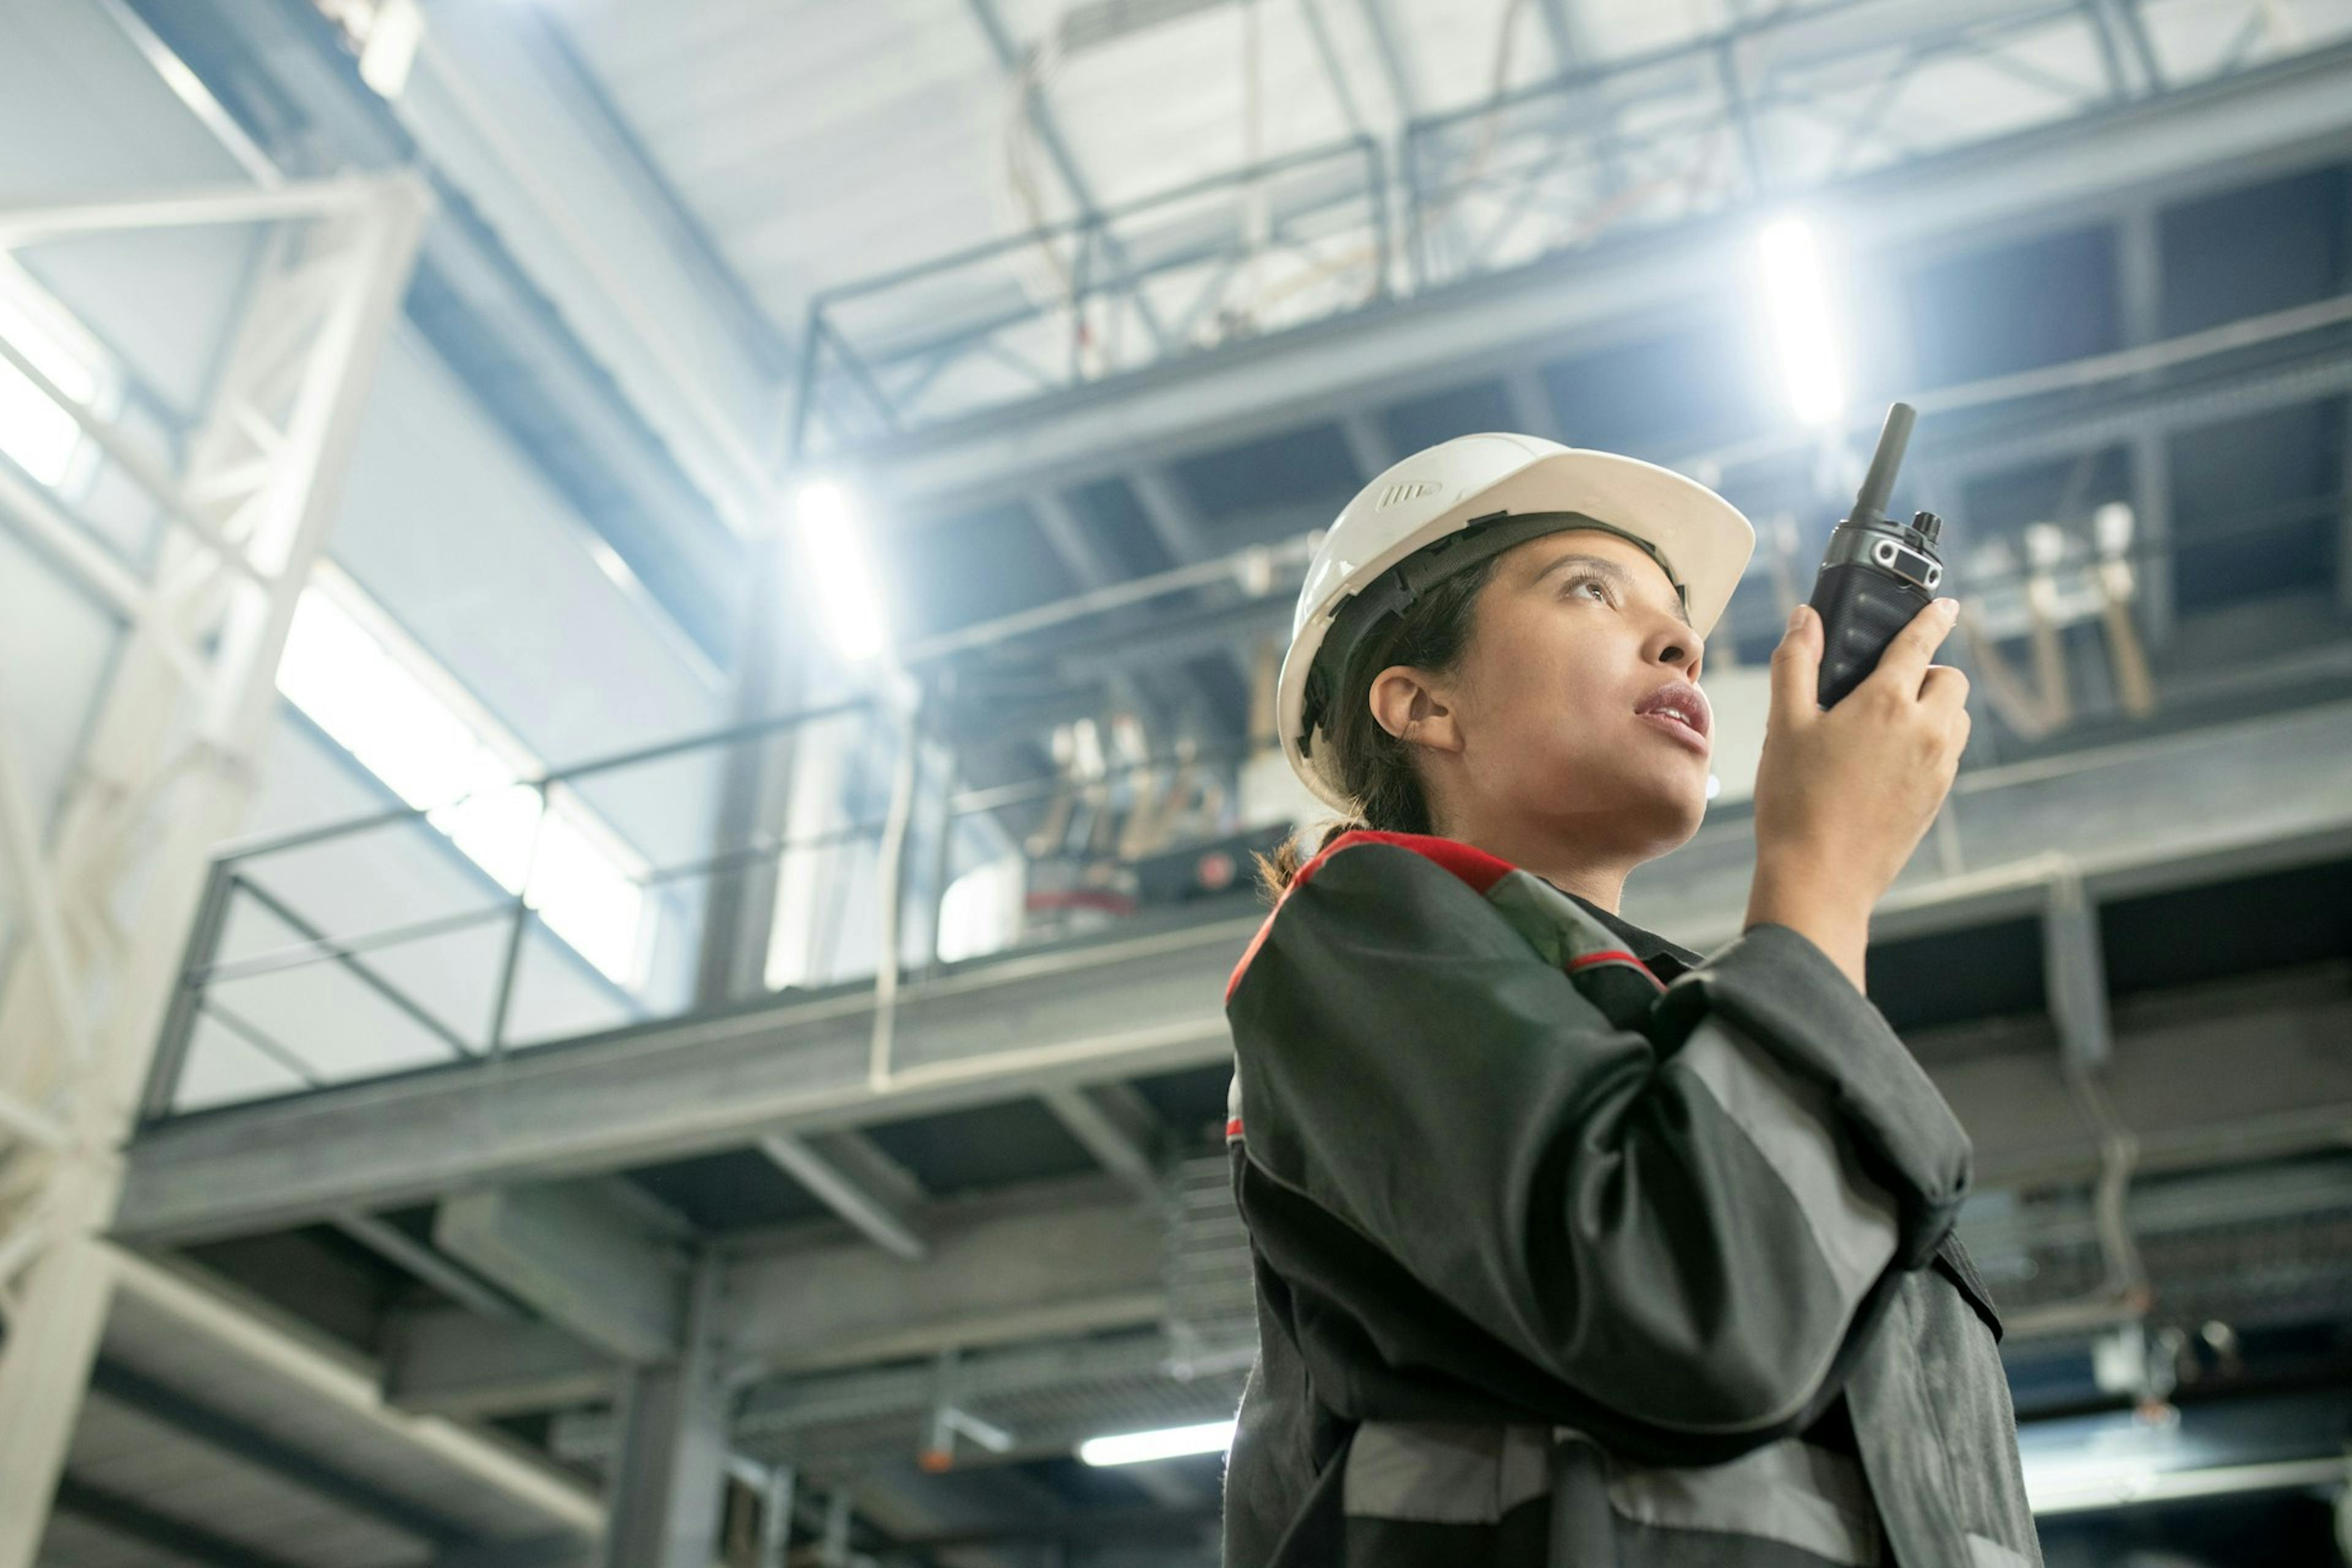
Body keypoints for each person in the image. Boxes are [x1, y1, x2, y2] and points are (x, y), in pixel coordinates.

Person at [1219, 432, 2038, 1567]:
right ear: (1421, 703)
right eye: (1590, 591)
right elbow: (1704, 1312)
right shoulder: (1353, 934)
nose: (1682, 642)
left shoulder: (1715, 1029)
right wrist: (1822, 870)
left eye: (1678, 618)